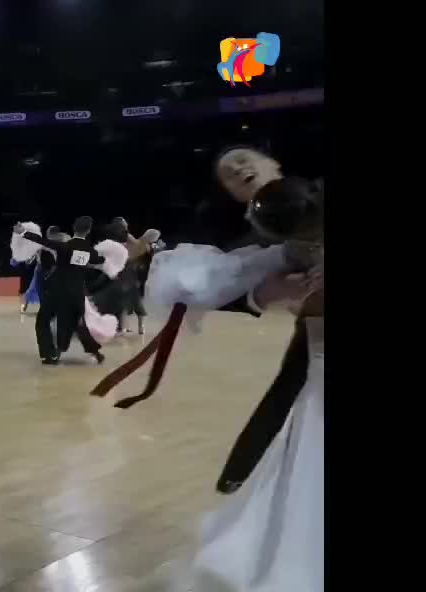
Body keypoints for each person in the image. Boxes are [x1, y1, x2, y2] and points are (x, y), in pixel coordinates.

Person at [91, 147, 323, 591]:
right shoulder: (264, 244)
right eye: (229, 175)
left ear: (274, 163)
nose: (238, 170)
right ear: (238, 197)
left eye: (242, 159)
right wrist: (267, 294)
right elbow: (221, 285)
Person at [13, 216, 118, 365]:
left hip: (57, 292)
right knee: (78, 324)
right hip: (76, 294)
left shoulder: (65, 246)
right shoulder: (90, 251)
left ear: (74, 228)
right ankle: (95, 353)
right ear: (88, 231)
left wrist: (23, 232)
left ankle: (50, 355)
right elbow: (98, 261)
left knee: (43, 321)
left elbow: (43, 241)